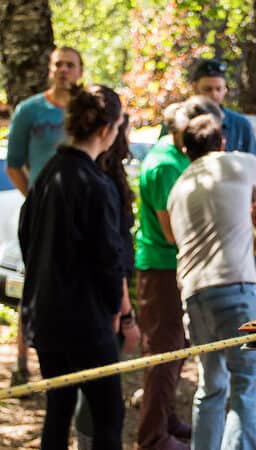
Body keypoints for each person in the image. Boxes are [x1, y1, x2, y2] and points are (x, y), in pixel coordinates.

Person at [18, 84, 125, 450]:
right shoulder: (95, 184)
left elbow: (25, 235)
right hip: (85, 321)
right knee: (108, 415)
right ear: (105, 129)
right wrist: (116, 309)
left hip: (46, 316)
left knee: (59, 408)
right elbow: (107, 257)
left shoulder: (48, 173)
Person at [168, 114, 256, 450]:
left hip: (194, 294)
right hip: (237, 286)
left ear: (185, 149)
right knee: (247, 386)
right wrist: (255, 219)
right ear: (222, 142)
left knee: (210, 386)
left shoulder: (178, 187)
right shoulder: (240, 162)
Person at [135, 96, 222, 450]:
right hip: (162, 267)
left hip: (169, 265)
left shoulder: (169, 155)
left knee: (174, 348)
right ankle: (153, 437)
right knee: (164, 351)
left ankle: (166, 419)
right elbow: (175, 230)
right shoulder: (167, 165)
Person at [6, 46, 83, 386]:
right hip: (40, 217)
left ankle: (76, 357)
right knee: (33, 283)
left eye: (70, 65)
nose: (63, 70)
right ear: (50, 69)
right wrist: (37, 200)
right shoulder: (29, 110)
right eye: (58, 64)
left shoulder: (87, 109)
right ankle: (23, 362)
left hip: (82, 214)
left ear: (80, 70)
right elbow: (13, 165)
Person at [74, 112, 141, 450]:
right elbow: (109, 254)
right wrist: (124, 313)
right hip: (104, 302)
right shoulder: (101, 183)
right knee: (101, 395)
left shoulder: (103, 177)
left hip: (100, 297)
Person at [162, 58, 256, 157]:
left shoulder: (240, 125)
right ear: (195, 87)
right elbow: (165, 155)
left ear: (225, 89)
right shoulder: (177, 119)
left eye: (218, 89)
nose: (214, 94)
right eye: (207, 89)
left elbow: (254, 164)